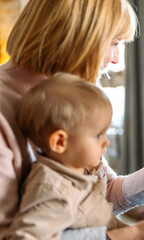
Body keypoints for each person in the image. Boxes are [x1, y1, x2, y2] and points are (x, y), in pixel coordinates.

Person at [0, 1, 144, 239]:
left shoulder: (66, 93)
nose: (116, 59)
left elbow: (102, 193)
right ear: (77, 38)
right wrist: (131, 236)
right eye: (114, 43)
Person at [6, 73, 123, 238]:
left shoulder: (81, 170)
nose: (106, 143)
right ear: (60, 142)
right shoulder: (52, 189)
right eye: (98, 135)